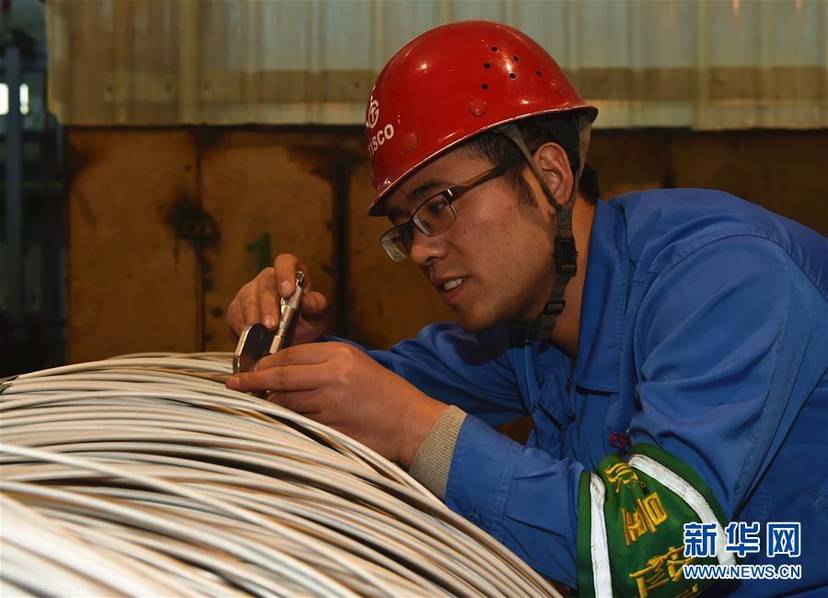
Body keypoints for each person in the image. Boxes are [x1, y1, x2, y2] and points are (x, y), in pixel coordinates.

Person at [225, 21, 828, 597]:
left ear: (550, 174)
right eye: (406, 228)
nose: (421, 250)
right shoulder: (529, 325)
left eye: (439, 205)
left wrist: (414, 428)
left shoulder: (726, 280)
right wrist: (294, 348)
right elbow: (376, 391)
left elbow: (661, 555)